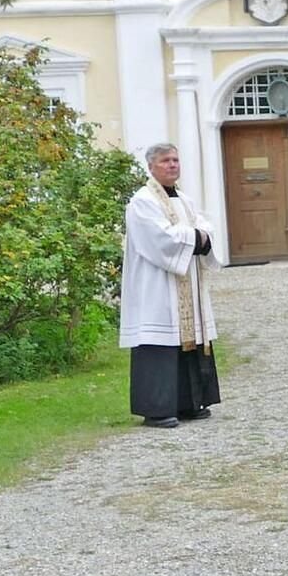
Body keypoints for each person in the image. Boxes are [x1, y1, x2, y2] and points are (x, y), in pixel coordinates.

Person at [119, 143, 220, 429]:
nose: (173, 165)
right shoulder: (143, 201)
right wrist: (196, 237)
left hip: (185, 283)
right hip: (156, 286)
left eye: (176, 159)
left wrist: (198, 236)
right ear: (151, 166)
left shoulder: (184, 199)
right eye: (166, 161)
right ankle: (157, 409)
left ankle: (190, 402)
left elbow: (204, 227)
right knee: (159, 342)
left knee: (187, 340)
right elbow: (160, 239)